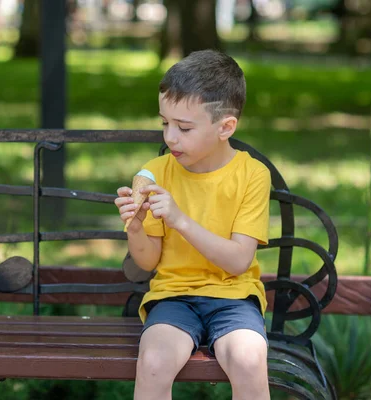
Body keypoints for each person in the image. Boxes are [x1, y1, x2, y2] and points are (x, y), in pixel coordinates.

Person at [115, 49, 271, 400]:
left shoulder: (252, 175)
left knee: (248, 360)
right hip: (173, 296)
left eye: (184, 128)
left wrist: (180, 220)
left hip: (234, 296)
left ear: (225, 127)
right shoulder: (157, 173)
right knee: (153, 361)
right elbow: (148, 262)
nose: (170, 138)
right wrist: (137, 227)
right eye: (164, 123)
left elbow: (238, 261)